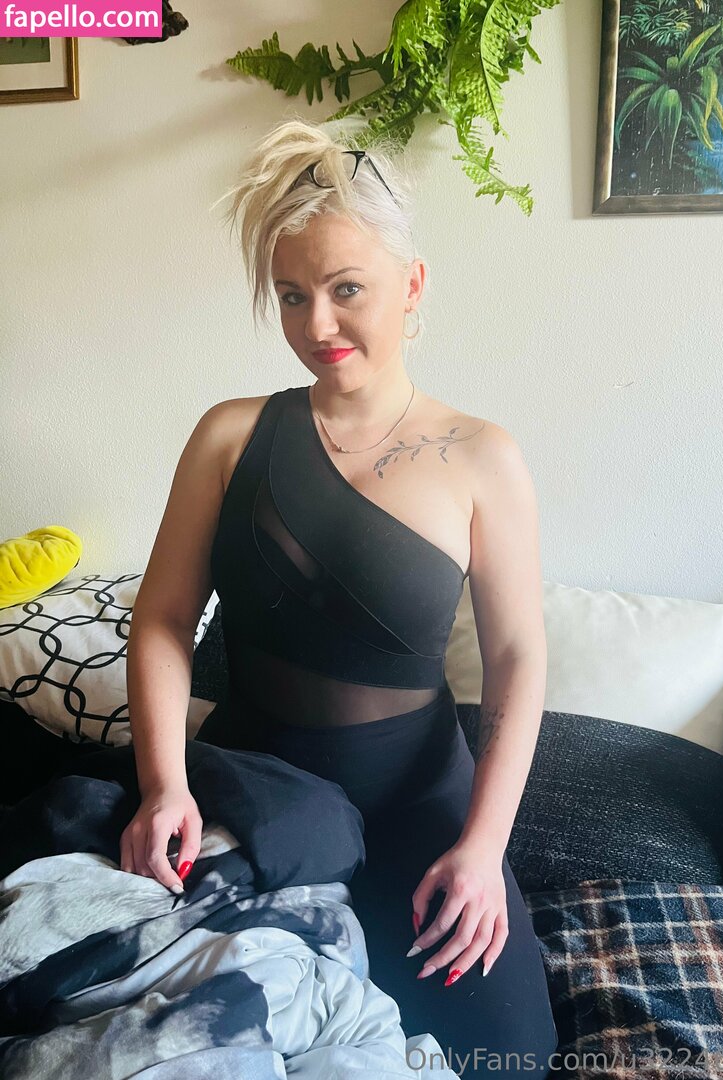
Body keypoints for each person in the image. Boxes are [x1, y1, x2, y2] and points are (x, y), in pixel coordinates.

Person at [120, 117, 558, 1076]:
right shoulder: (229, 437)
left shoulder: (483, 458)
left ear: (414, 284)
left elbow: (519, 657)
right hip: (250, 797)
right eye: (291, 296)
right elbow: (162, 620)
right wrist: (164, 785)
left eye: (345, 288)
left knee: (508, 1057)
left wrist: (484, 847)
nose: (316, 325)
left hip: (419, 808)